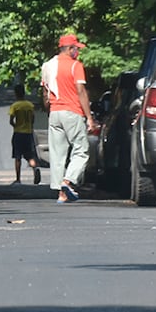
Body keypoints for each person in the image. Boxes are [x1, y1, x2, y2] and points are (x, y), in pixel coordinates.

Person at [41, 34, 96, 203]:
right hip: (72, 112)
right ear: (70, 49)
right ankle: (68, 181)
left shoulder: (48, 66)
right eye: (76, 48)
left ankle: (61, 194)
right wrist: (89, 117)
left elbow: (45, 93)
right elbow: (81, 91)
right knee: (81, 150)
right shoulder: (75, 66)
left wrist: (50, 111)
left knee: (57, 154)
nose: (78, 51)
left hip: (55, 113)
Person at [9, 84, 41, 185]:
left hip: (18, 133)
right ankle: (35, 168)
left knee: (17, 156)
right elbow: (32, 119)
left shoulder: (15, 106)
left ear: (16, 93)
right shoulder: (29, 105)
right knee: (30, 156)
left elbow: (11, 120)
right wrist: (29, 126)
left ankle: (18, 179)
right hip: (28, 133)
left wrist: (15, 126)